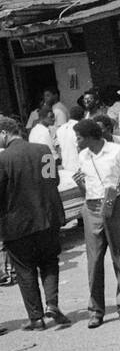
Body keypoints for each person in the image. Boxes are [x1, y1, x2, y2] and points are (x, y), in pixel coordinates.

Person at [0, 116, 69, 330]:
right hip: (48, 217)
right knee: (49, 261)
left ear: (4, 133)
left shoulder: (3, 160)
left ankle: (36, 318)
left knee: (24, 269)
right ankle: (52, 304)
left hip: (17, 224)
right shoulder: (43, 151)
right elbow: (53, 180)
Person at [74, 117, 120, 327]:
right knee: (94, 261)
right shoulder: (83, 156)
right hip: (92, 208)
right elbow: (86, 189)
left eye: (78, 137)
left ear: (89, 137)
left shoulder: (118, 151)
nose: (76, 141)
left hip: (117, 206)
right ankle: (96, 310)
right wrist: (80, 186)